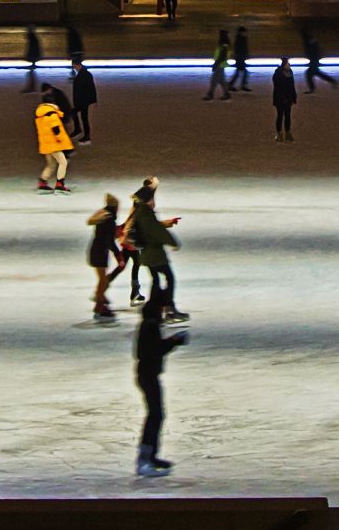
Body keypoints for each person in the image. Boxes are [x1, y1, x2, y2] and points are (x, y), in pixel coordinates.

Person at [134, 285, 190, 477]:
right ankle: (144, 460)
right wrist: (175, 341)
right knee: (155, 415)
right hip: (148, 376)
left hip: (147, 375)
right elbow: (153, 351)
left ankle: (151, 455)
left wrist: (171, 341)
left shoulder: (150, 323)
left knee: (157, 414)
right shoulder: (150, 325)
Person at [128, 179, 187, 321]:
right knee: (170, 278)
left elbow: (155, 227)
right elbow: (157, 231)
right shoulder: (147, 214)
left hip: (147, 255)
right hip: (154, 254)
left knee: (156, 281)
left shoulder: (140, 212)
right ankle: (169, 309)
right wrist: (173, 242)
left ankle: (157, 310)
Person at [88, 193, 130, 320]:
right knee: (103, 280)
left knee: (102, 280)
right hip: (100, 252)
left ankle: (100, 298)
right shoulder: (109, 220)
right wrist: (119, 257)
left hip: (95, 249)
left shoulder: (103, 215)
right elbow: (110, 242)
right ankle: (99, 305)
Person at [34, 93, 72, 193]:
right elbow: (56, 128)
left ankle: (42, 182)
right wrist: (60, 139)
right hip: (54, 144)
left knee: (51, 164)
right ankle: (60, 184)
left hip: (45, 144)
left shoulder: (40, 114)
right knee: (63, 162)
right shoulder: (52, 113)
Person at [70, 60, 99, 142]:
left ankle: (83, 133)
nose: (74, 68)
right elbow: (91, 87)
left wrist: (93, 99)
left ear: (78, 65)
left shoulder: (83, 75)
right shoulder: (85, 74)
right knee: (81, 116)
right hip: (83, 100)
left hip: (83, 100)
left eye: (74, 66)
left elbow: (89, 88)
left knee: (83, 117)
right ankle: (82, 132)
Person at [271, 58, 298, 141]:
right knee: (280, 116)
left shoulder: (290, 73)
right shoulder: (278, 74)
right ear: (284, 65)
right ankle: (279, 133)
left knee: (288, 116)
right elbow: (278, 89)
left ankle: (287, 133)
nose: (289, 65)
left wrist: (294, 97)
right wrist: (283, 98)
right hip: (280, 99)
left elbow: (292, 86)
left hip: (288, 99)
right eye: (287, 63)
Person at [302, 25, 337, 90]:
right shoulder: (311, 41)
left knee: (310, 73)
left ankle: (312, 89)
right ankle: (333, 81)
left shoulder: (309, 41)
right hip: (314, 60)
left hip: (314, 60)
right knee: (315, 73)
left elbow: (312, 51)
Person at [204, 28, 232, 101]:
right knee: (221, 80)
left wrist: (215, 64)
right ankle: (226, 94)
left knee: (214, 80)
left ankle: (210, 94)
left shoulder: (223, 45)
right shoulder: (225, 45)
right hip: (221, 64)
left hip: (220, 64)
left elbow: (221, 57)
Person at [230, 24, 252, 91]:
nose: (245, 33)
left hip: (240, 58)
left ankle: (232, 85)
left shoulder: (239, 39)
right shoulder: (240, 39)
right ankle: (241, 85)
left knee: (239, 72)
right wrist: (244, 55)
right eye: (244, 32)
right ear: (241, 32)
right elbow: (241, 49)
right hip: (240, 58)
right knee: (243, 72)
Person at [22, 25, 42, 92]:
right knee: (31, 72)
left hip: (33, 57)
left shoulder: (32, 38)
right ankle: (32, 86)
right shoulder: (34, 38)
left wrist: (29, 57)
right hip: (34, 58)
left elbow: (32, 49)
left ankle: (31, 87)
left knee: (31, 73)